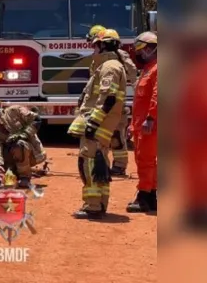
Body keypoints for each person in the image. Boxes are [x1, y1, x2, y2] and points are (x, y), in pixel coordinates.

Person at [67, 28, 128, 219]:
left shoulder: (109, 66)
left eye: (94, 45)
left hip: (98, 124)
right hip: (102, 123)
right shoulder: (107, 65)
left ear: (103, 45)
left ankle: (93, 206)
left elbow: (108, 98)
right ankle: (99, 204)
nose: (92, 49)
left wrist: (93, 122)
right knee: (99, 164)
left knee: (89, 163)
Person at [84, 25, 137, 176]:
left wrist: (136, 93)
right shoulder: (97, 58)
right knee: (102, 137)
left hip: (116, 102)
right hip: (102, 103)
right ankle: (103, 165)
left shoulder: (119, 56)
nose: (92, 45)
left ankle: (119, 166)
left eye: (94, 42)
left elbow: (132, 74)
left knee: (116, 136)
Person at [0, 97, 46, 188]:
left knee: (18, 144)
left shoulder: (15, 111)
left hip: (33, 153)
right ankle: (10, 173)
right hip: (14, 153)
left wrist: (24, 134)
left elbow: (36, 119)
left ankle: (25, 177)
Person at [126, 31, 158, 213]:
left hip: (150, 125)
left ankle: (144, 196)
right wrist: (132, 125)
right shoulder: (148, 69)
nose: (138, 54)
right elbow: (139, 101)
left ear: (148, 49)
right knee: (145, 161)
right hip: (142, 125)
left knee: (146, 161)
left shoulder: (157, 69)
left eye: (140, 50)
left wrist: (151, 118)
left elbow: (157, 96)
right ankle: (151, 196)